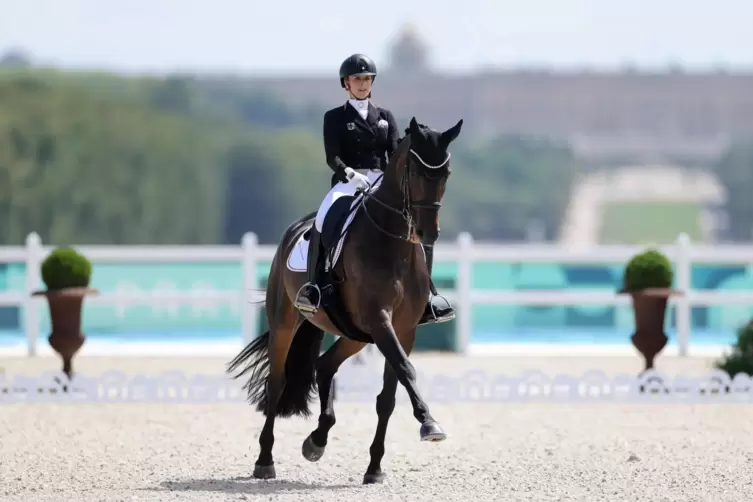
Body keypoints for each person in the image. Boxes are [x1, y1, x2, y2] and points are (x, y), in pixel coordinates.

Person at [294, 53, 455, 326]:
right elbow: (332, 156)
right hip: (349, 181)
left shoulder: (385, 116)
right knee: (323, 218)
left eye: (367, 79)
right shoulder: (334, 117)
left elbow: (394, 154)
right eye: (357, 79)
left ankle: (427, 295)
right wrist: (350, 174)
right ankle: (314, 287)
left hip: (382, 180)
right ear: (346, 83)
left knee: (417, 225)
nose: (362, 84)